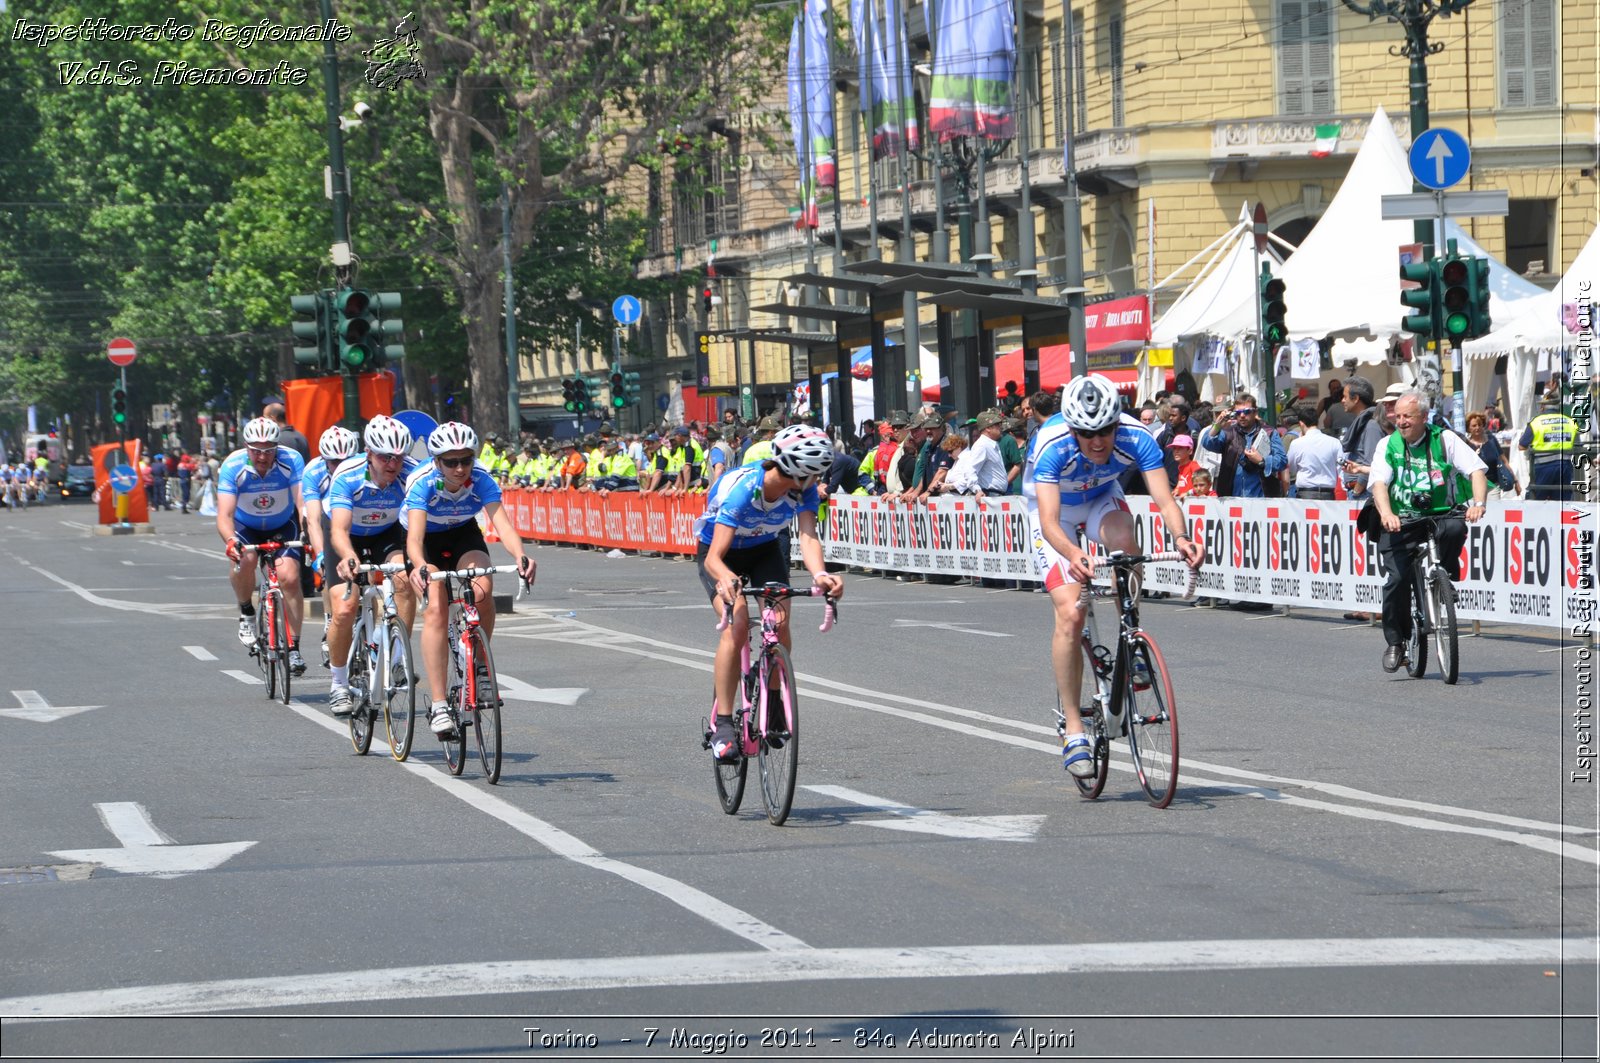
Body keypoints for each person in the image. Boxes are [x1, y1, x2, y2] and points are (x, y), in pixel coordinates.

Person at [1023, 375, 1204, 778]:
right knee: (1071, 613)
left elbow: (1164, 499)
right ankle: (1073, 729)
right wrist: (1073, 553)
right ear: (1071, 427)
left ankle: (1130, 634)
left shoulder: (1137, 436)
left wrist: (1182, 537)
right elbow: (1050, 521)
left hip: (1101, 497)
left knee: (1125, 538)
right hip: (1056, 515)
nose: (1099, 442)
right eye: (1087, 434)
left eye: (1106, 430)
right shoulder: (1051, 444)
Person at [697, 425, 843, 762]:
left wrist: (820, 574)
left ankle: (774, 702)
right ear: (799, 472)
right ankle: (722, 725)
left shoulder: (801, 491)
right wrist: (727, 579)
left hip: (764, 549)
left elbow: (807, 536)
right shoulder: (743, 489)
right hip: (722, 553)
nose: (818, 481)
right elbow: (714, 558)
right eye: (816, 474)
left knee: (779, 619)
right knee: (738, 620)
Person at [405, 422, 537, 737]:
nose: (461, 468)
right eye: (451, 462)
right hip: (427, 540)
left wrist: (521, 556)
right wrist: (421, 565)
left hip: (462, 532)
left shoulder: (481, 479)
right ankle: (438, 705)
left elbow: (503, 526)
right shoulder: (422, 482)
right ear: (436, 461)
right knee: (436, 607)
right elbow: (413, 538)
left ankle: (479, 667)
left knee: (482, 588)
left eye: (466, 459)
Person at [1370, 390, 1488, 673]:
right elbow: (1379, 485)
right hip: (1400, 519)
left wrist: (1478, 504)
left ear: (1424, 417)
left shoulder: (1444, 439)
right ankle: (1396, 642)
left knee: (1456, 526)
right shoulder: (1388, 445)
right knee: (1397, 579)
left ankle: (1443, 577)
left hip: (1439, 514)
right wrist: (1387, 514)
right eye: (1397, 417)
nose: (1401, 422)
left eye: (1407, 417)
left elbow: (1476, 471)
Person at [324, 416, 418, 717]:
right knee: (344, 607)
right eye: (385, 457)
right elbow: (338, 530)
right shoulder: (348, 475)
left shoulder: (410, 475)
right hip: (347, 535)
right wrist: (349, 557)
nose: (393, 464)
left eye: (399, 457)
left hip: (386, 535)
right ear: (368, 453)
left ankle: (397, 657)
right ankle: (338, 684)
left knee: (403, 578)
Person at [216, 416, 308, 674]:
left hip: (282, 524)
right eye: (256, 450)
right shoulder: (233, 465)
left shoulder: (291, 460)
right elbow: (224, 515)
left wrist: (308, 531)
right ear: (246, 447)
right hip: (247, 527)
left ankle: (294, 648)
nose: (262, 457)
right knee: (245, 560)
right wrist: (231, 540)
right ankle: (246, 611)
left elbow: (302, 505)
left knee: (289, 577)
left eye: (268, 450)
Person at [303, 425, 361, 666]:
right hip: (327, 522)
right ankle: (330, 619)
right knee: (329, 569)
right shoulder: (313, 471)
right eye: (334, 462)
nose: (340, 466)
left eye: (345, 460)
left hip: (356, 520)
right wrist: (320, 556)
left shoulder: (362, 469)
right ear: (324, 459)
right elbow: (314, 521)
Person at [1197, 393, 1286, 497]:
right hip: (1232, 498)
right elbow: (1207, 443)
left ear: (1255, 412)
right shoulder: (1228, 432)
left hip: (1262, 498)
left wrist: (1262, 461)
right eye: (1238, 413)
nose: (1242, 415)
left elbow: (1282, 460)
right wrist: (1217, 425)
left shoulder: (1269, 432)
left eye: (1247, 412)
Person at [1519, 394, 1579, 501]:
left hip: (1543, 466)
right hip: (1565, 466)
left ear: (1543, 407)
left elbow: (1521, 446)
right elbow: (1578, 445)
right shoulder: (1570, 421)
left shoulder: (1536, 422)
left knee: (1536, 500)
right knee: (1562, 501)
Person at [1283, 404, 1342, 500]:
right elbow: (1341, 468)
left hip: (1306, 493)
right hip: (1328, 494)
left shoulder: (1296, 443)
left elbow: (1291, 469)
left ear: (1301, 423)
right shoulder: (1334, 442)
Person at [1466, 410, 1516, 499]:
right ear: (1468, 428)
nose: (1477, 428)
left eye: (1479, 425)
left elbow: (1504, 461)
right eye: (1474, 426)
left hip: (1493, 485)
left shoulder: (1491, 440)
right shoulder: (1466, 444)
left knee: (1493, 510)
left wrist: (1515, 480)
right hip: (1473, 486)